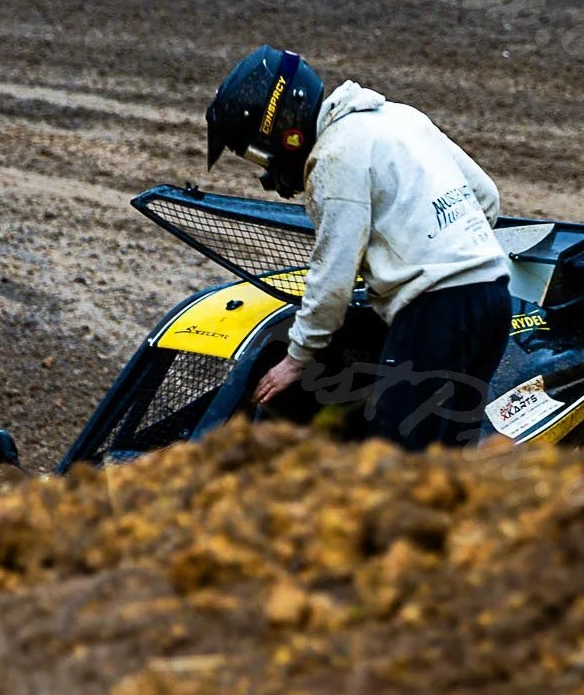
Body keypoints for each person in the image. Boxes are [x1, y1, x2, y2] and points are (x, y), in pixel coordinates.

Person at [204, 45, 512, 450]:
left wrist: (296, 359)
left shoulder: (333, 155)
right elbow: (486, 196)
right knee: (446, 461)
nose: (265, 167)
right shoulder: (399, 116)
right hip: (492, 297)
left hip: (435, 312)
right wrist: (447, 249)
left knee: (392, 461)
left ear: (280, 131)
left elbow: (333, 274)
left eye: (255, 151)